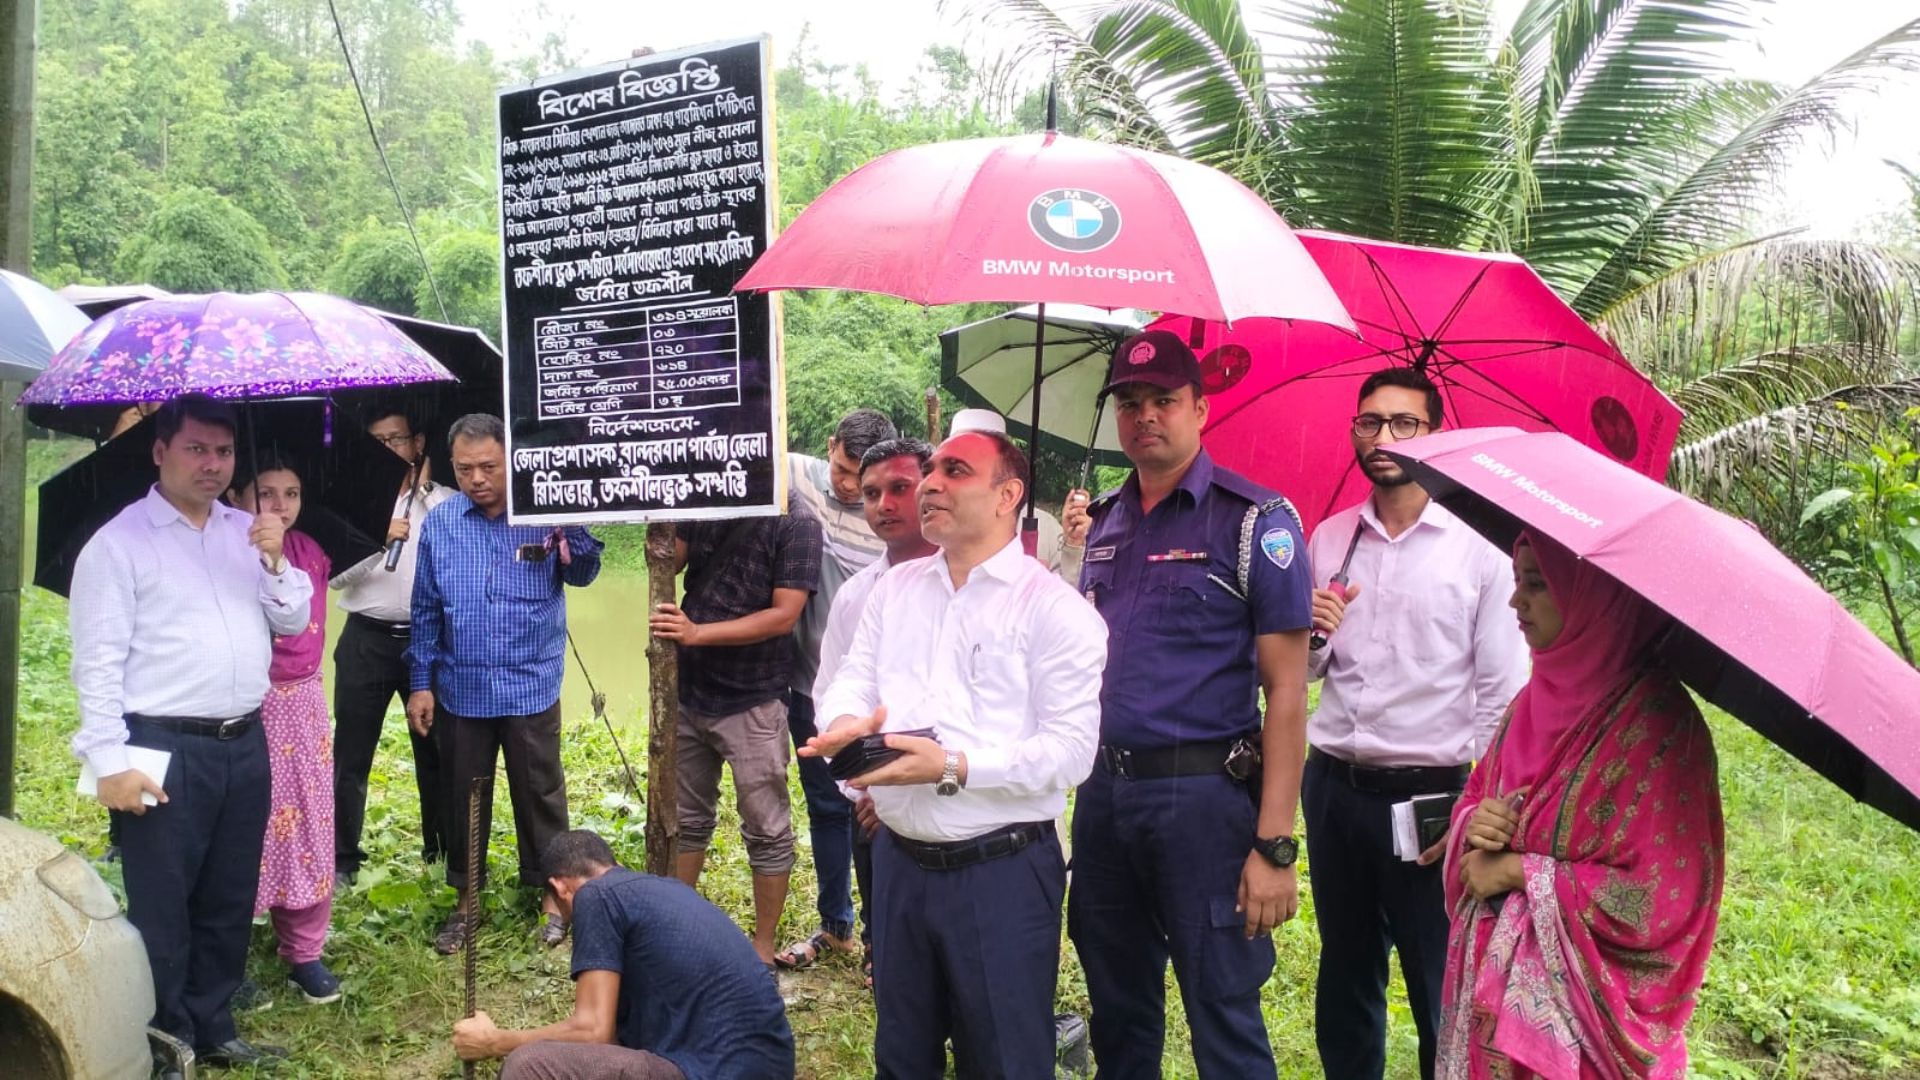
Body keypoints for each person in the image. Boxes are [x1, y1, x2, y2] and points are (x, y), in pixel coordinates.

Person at [806, 429, 1108, 1077]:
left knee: (1001, 1057)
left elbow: (1071, 751)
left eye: (956, 471)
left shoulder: (1054, 611)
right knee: (902, 1052)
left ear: (1008, 495)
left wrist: (951, 766)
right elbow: (851, 679)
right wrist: (848, 728)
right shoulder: (893, 590)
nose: (933, 484)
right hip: (900, 863)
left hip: (999, 870)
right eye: (934, 469)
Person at [1060, 329, 1312, 1079]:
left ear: (1200, 408)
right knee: (1118, 1007)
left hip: (1203, 803)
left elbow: (1289, 693)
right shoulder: (1103, 525)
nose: (1145, 417)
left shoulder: (1254, 523)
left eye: (1164, 400)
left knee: (1223, 1013)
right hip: (1105, 799)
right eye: (1129, 403)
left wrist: (1274, 848)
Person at [67, 393, 311, 1068]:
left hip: (244, 740)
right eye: (196, 449)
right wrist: (108, 762)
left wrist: (274, 560)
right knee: (163, 905)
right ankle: (165, 1035)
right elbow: (97, 664)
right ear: (160, 451)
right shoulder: (118, 545)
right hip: (160, 745)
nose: (212, 465)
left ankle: (214, 1021)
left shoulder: (247, 531)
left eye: (223, 452)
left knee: (230, 894)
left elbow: (292, 623)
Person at [1302, 367, 1530, 1080]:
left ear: (1436, 435)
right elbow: (1304, 673)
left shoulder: (1481, 548)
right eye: (1370, 423)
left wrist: (1478, 809)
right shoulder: (1333, 538)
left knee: (1438, 977)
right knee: (1345, 970)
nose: (1384, 437)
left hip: (1432, 797)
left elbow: (1502, 694)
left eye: (1405, 423)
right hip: (1334, 787)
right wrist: (1314, 634)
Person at [1437, 530, 1724, 1078]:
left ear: (1593, 595)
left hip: (1588, 1029)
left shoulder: (1661, 730)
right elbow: (1480, 795)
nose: (1515, 601)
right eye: (1518, 581)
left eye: (1538, 585)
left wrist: (1519, 871)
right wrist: (1478, 822)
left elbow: (1663, 895)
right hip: (1487, 1011)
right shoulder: (1530, 698)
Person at [407, 413, 604, 953]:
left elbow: (585, 571)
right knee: (464, 794)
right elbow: (424, 609)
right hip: (461, 689)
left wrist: (570, 528)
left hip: (529, 684)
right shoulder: (443, 524)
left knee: (539, 791)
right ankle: (467, 901)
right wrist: (420, 682)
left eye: (488, 466)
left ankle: (551, 896)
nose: (477, 478)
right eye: (465, 468)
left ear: (509, 460)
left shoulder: (544, 512)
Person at [451, 830, 795, 1080]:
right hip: (772, 1065)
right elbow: (613, 1038)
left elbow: (593, 1032)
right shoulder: (662, 891)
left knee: (529, 1065)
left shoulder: (595, 896)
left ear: (560, 888)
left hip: (712, 1070)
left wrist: (495, 1042)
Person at [647, 497, 822, 967]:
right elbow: (672, 555)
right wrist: (656, 507)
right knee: (685, 819)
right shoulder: (707, 498)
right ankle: (673, 930)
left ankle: (762, 948)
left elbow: (785, 614)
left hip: (755, 697)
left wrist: (699, 633)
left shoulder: (798, 522)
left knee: (766, 827)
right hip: (690, 690)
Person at [807, 436, 939, 989]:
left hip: (959, 797)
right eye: (871, 494)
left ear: (932, 489)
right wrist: (866, 790)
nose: (884, 504)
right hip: (873, 804)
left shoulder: (973, 585)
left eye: (900, 489)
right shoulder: (857, 595)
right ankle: (880, 963)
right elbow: (833, 692)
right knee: (893, 944)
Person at [775, 408, 895, 970]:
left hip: (873, 701)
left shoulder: (892, 516)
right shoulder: (798, 476)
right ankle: (836, 924)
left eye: (864, 478)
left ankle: (880, 940)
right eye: (844, 471)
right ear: (829, 448)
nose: (850, 486)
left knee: (874, 811)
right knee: (825, 807)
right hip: (809, 684)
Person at [229, 458, 343, 1005]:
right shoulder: (220, 552)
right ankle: (227, 951)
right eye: (266, 493)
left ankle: (304, 950)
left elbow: (304, 628)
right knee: (244, 822)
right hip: (245, 703)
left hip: (305, 702)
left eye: (292, 493)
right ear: (236, 495)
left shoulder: (310, 552)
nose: (280, 505)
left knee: (309, 819)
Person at [330, 406, 455, 889]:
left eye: (396, 439)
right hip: (365, 638)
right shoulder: (354, 502)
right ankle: (342, 859)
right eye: (377, 441)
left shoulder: (445, 503)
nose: (388, 449)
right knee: (351, 755)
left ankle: (440, 850)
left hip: (427, 644)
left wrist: (421, 494)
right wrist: (377, 542)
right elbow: (333, 578)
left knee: (436, 751)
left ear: (416, 444)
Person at [948, 407, 1082, 584]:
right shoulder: (938, 528)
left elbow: (1070, 593)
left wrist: (1072, 546)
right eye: (957, 465)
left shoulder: (1046, 527)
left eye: (983, 454)